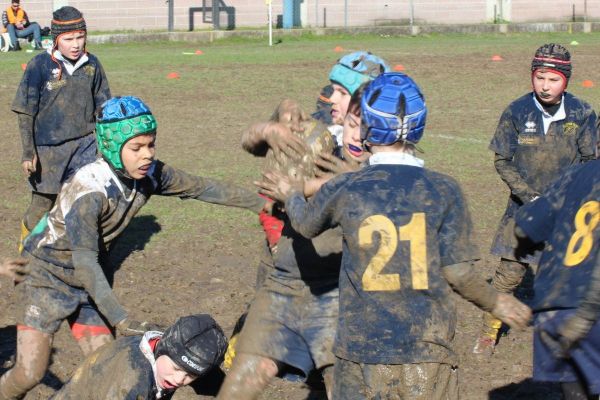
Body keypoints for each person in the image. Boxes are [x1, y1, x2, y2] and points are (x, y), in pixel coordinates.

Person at [257, 72, 532, 399]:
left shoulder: (348, 186)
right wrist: (497, 301)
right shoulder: (444, 189)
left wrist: (291, 194)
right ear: (420, 127)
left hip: (361, 351)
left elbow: (305, 225)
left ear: (368, 129)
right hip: (427, 351)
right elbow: (459, 274)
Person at [0, 96, 268, 400]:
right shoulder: (89, 191)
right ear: (113, 148)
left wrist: (263, 205)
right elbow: (85, 261)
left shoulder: (149, 175)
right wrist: (119, 318)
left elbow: (201, 187)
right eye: (136, 148)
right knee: (30, 371)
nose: (147, 155)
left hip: (89, 283)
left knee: (105, 364)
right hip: (45, 278)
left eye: (151, 144)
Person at [218, 52, 389, 400]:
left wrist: (351, 182)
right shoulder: (319, 132)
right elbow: (250, 141)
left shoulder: (388, 156)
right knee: (242, 382)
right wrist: (269, 128)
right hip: (287, 278)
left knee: (344, 388)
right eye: (336, 90)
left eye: (343, 93)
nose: (332, 99)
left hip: (340, 291)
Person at [474, 43, 598, 355]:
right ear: (533, 75)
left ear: (566, 81)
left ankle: (564, 338)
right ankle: (488, 334)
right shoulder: (516, 111)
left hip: (566, 213)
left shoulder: (582, 114)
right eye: (540, 77)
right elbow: (502, 160)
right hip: (523, 210)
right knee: (508, 275)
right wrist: (530, 196)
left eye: (553, 79)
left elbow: (589, 161)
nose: (545, 85)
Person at [12, 6, 111, 254]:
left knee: (84, 201)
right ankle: (26, 252)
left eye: (80, 37)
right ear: (56, 40)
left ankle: (82, 254)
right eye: (68, 39)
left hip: (85, 147)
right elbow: (25, 111)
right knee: (43, 204)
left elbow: (104, 106)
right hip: (49, 151)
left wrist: (107, 145)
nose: (76, 44)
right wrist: (28, 152)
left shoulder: (92, 65)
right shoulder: (40, 65)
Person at [514, 160, 599, 400]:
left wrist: (523, 242)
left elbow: (526, 227)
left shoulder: (575, 173)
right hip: (589, 307)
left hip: (558, 303)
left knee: (574, 389)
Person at [51, 314, 228, 400]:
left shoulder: (174, 348)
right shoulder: (133, 382)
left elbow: (222, 384)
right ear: (163, 348)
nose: (179, 379)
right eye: (177, 369)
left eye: (191, 375)